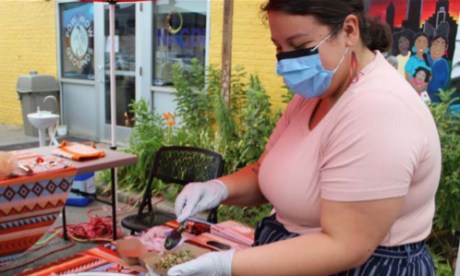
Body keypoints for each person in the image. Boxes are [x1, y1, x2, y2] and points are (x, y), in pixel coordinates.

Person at [168, 0, 442, 275]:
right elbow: (267, 171)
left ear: (349, 31)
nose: (285, 62)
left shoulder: (379, 109)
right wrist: (217, 189)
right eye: (279, 47)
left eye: (299, 46)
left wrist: (227, 265)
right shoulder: (313, 96)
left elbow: (346, 245)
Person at [427, 35, 450, 103]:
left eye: (442, 46)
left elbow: (444, 81)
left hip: (436, 96)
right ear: (431, 44)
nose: (438, 48)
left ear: (445, 48)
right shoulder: (424, 58)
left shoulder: (444, 63)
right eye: (436, 44)